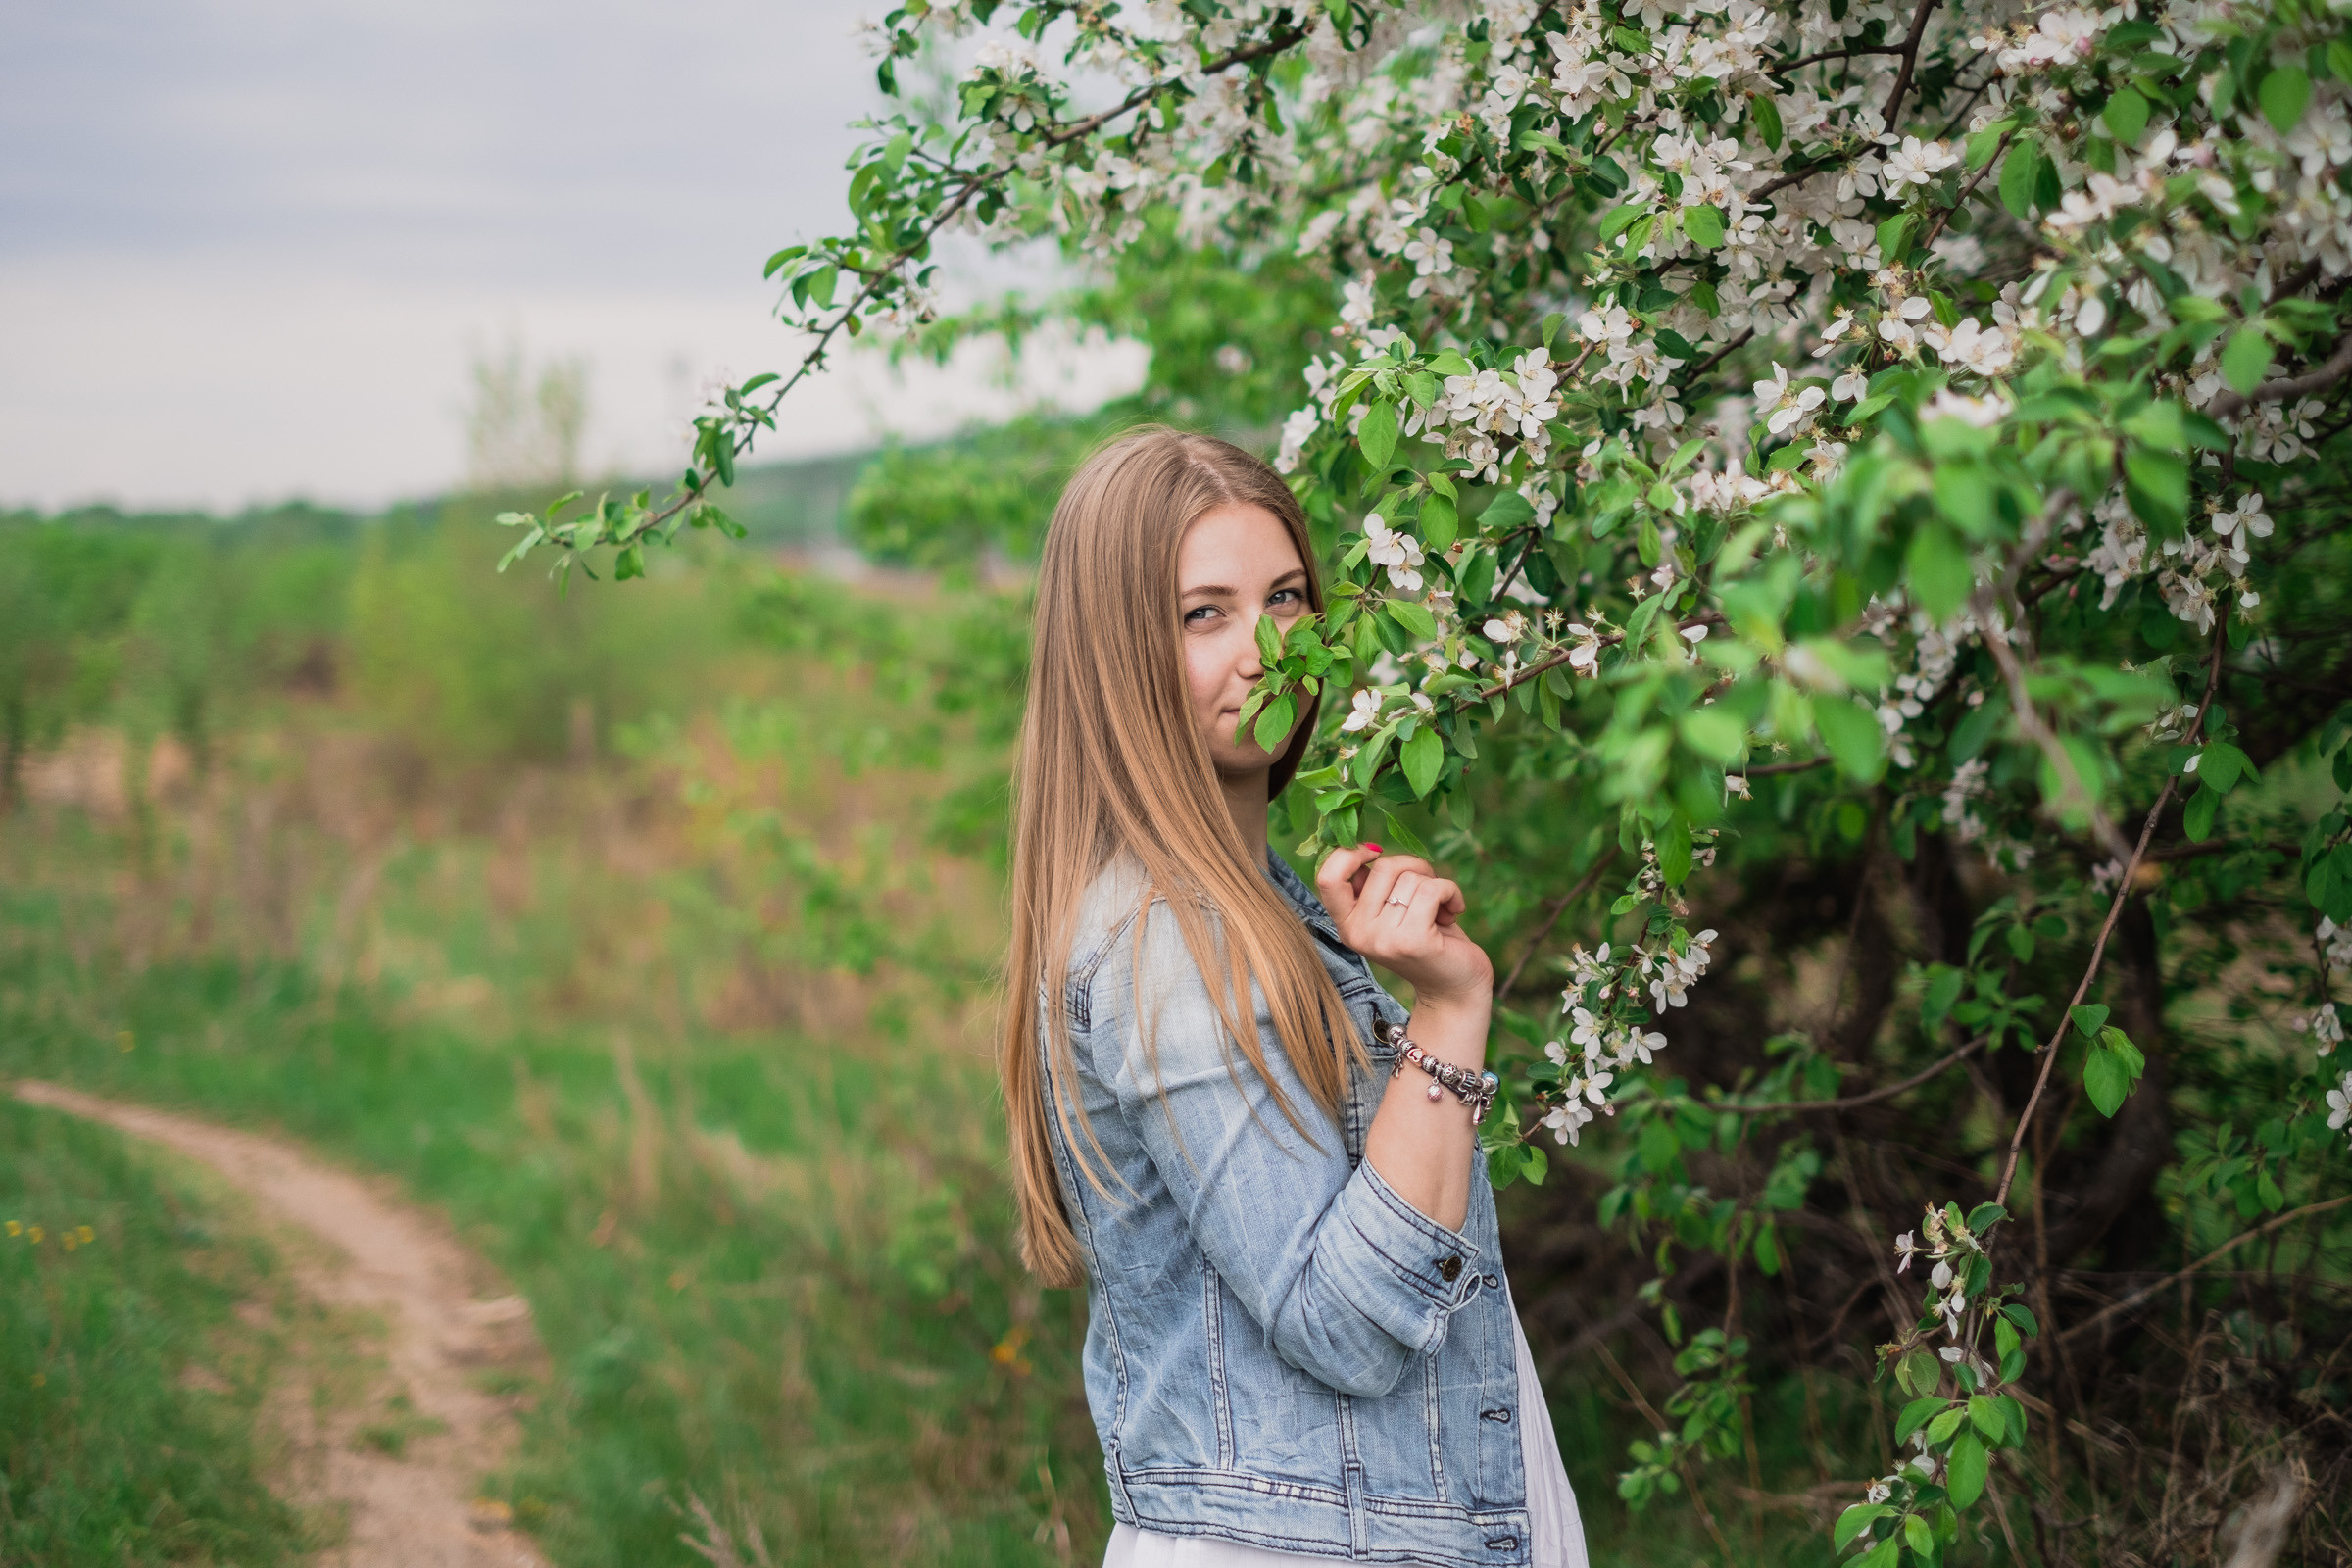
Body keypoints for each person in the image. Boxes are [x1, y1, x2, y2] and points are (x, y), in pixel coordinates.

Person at [1000, 426, 1589, 1568]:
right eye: (1202, 614)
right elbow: (1348, 1323)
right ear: (1115, 653)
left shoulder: (1253, 906)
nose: (1267, 650)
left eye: (1285, 598)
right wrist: (1450, 1014)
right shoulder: (1170, 944)